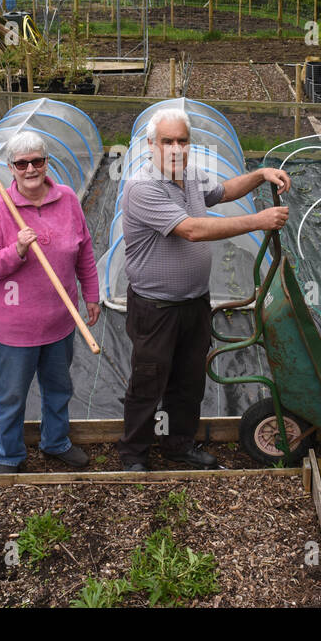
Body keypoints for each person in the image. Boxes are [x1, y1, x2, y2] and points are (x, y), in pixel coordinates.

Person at [117, 108, 290, 471]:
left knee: (188, 382)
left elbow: (224, 191)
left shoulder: (190, 176)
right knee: (149, 381)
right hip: (155, 308)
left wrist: (260, 175)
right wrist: (257, 221)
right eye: (168, 141)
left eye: (183, 140)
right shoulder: (142, 187)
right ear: (151, 145)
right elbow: (193, 229)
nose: (177, 148)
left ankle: (179, 446)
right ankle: (134, 454)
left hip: (194, 303)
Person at [0, 130, 101, 473]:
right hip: (15, 327)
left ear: (47, 162)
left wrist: (91, 294)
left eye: (37, 161)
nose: (30, 168)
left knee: (59, 389)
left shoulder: (68, 201)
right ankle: (10, 455)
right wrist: (15, 251)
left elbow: (84, 250)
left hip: (61, 321)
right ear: (11, 168)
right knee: (12, 396)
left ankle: (56, 442)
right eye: (21, 163)